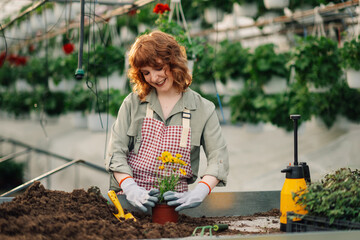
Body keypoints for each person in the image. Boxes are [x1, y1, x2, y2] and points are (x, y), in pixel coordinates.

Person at [105, 30, 229, 212]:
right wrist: (131, 188)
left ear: (174, 62)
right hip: (130, 204)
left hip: (174, 206)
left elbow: (218, 157)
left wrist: (200, 191)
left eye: (158, 68)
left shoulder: (203, 109)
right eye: (146, 72)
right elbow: (115, 153)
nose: (154, 78)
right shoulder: (133, 104)